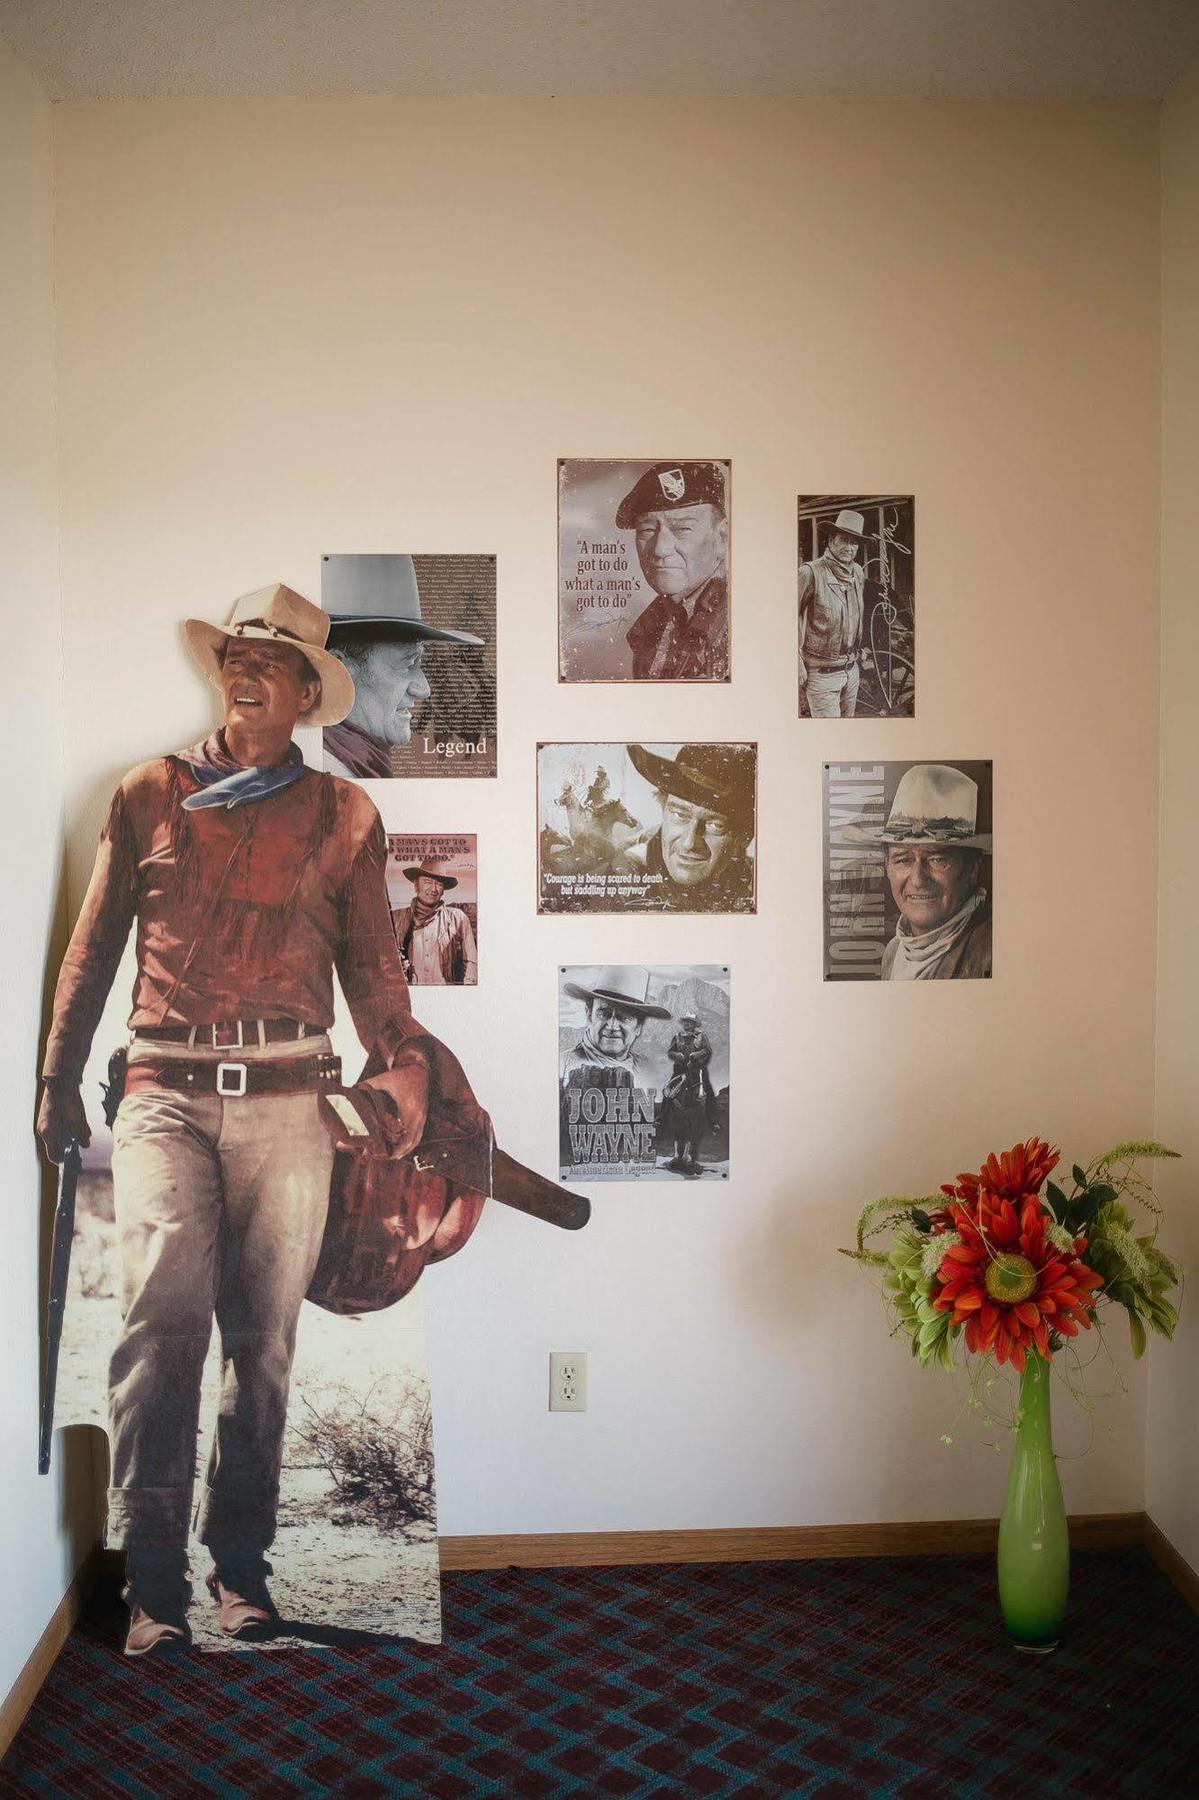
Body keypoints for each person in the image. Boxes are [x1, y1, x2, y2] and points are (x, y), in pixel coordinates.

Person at [37, 583, 476, 1657]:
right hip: (163, 1102)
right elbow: (93, 951)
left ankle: (242, 1580)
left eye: (272, 665)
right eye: (237, 656)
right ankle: (151, 1591)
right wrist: (54, 1081)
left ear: (301, 696)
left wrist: (406, 1067)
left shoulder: (343, 816)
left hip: (293, 1105)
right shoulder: (146, 793)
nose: (248, 674)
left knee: (265, 1350)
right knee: (159, 1334)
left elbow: (375, 974)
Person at [321, 554, 483, 778]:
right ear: (337, 668)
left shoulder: (350, 769)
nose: (424, 689)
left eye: (418, 663)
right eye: (406, 664)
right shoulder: (335, 779)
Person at [844, 763, 992, 980]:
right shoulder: (893, 953)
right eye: (903, 860)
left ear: (973, 869)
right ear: (887, 866)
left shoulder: (992, 951)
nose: (918, 879)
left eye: (937, 859)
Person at [617, 463, 730, 681]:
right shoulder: (657, 624)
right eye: (648, 530)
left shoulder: (744, 623)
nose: (660, 549)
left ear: (722, 538)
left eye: (682, 529)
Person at [625, 743, 755, 910]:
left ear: (745, 836)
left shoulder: (759, 890)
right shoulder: (622, 879)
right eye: (679, 815)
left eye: (715, 825)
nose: (689, 843)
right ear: (663, 809)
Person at [798, 507, 868, 718]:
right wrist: (795, 661)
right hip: (822, 674)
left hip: (851, 670)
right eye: (843, 540)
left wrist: (860, 647)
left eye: (854, 542)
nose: (849, 547)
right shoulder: (810, 572)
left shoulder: (857, 572)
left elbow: (855, 614)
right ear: (830, 541)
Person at [559, 967, 671, 1082]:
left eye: (625, 1018)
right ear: (589, 1014)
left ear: (638, 1027)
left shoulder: (648, 1070)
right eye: (604, 1014)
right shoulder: (562, 1065)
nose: (612, 1026)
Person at [391, 858, 477, 986]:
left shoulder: (458, 919)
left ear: (443, 890)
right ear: (416, 885)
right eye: (427, 882)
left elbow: (471, 963)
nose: (433, 888)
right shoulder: (395, 918)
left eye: (439, 884)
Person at [662, 1013, 716, 1176]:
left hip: (697, 1070)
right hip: (680, 1071)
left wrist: (696, 1055)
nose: (687, 1025)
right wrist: (676, 1055)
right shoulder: (676, 1037)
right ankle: (661, 1119)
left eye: (690, 1022)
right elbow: (670, 1052)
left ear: (694, 1024)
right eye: (685, 1022)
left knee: (709, 1093)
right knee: (668, 1093)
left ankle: (713, 1120)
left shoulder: (701, 1037)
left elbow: (708, 1051)